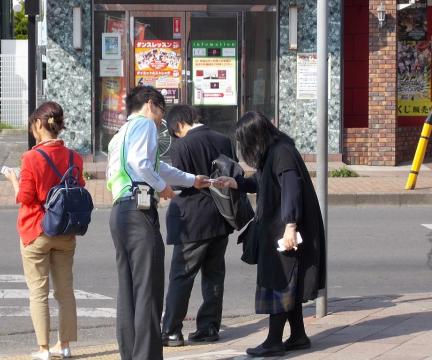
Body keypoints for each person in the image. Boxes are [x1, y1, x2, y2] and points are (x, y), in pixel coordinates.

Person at [107, 86, 209, 360]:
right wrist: (163, 188)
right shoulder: (145, 125)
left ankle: (130, 354)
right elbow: (142, 165)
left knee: (128, 290)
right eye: (161, 112)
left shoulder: (119, 135)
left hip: (119, 212)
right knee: (148, 290)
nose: (161, 120)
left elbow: (155, 166)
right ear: (151, 104)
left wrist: (191, 180)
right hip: (139, 212)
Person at [217, 111, 326, 357]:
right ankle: (298, 336)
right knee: (290, 283)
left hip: (284, 230)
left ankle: (273, 341)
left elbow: (291, 190)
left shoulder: (282, 153)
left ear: (254, 136)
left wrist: (290, 226)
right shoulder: (274, 152)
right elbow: (262, 182)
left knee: (281, 281)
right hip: (278, 228)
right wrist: (236, 183)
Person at [3, 101, 84, 360]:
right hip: (65, 231)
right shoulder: (75, 157)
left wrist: (13, 180)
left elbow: (26, 197)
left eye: (32, 125)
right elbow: (79, 187)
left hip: (35, 231)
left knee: (39, 292)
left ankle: (43, 349)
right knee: (65, 291)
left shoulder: (30, 158)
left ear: (38, 124)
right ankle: (66, 345)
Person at [161, 105, 235, 347]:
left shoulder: (183, 145)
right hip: (221, 215)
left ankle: (172, 330)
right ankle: (209, 327)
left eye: (175, 132)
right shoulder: (224, 139)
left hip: (192, 219)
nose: (176, 137)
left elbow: (181, 183)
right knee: (214, 274)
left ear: (179, 125)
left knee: (182, 276)